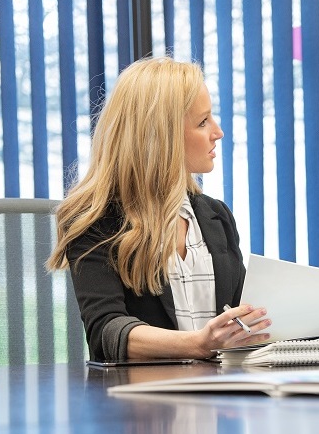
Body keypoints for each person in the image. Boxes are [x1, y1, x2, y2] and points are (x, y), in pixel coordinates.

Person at [47, 57, 270, 361]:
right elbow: (107, 331)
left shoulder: (216, 217)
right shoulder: (97, 221)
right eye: (203, 122)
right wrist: (197, 344)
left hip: (221, 395)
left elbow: (240, 317)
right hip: (143, 400)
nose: (218, 132)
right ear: (160, 136)